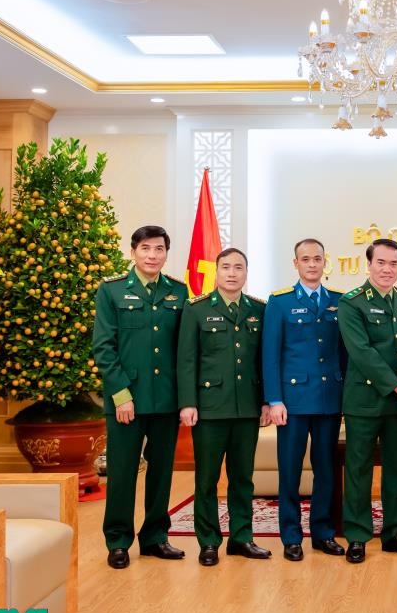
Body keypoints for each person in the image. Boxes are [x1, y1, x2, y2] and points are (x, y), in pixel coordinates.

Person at [93, 225, 188, 569]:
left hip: (166, 399)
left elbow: (184, 349)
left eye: (159, 249)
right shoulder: (112, 290)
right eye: (146, 248)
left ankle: (155, 537)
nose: (152, 255)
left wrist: (185, 398)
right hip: (126, 400)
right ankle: (118, 541)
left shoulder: (178, 291)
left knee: (161, 472)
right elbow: (104, 348)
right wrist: (121, 395)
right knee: (122, 472)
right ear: (133, 252)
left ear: (166, 253)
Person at [176, 248, 272, 565]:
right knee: (207, 480)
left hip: (247, 408)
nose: (232, 273)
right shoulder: (197, 309)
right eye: (226, 267)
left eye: (239, 267)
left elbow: (263, 361)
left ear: (246, 273)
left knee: (243, 478)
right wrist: (187, 403)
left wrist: (265, 401)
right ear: (216, 272)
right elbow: (186, 360)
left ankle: (242, 538)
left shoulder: (259, 309)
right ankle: (208, 542)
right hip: (210, 409)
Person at [337, 238, 397, 563]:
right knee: (358, 469)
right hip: (364, 400)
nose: (387, 269)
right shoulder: (351, 303)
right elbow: (361, 352)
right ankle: (357, 535)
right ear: (369, 264)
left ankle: (394, 532)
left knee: (395, 469)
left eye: (394, 264)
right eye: (381, 262)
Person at [262, 238, 347, 561]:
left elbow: (344, 354)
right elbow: (270, 355)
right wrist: (274, 400)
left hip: (328, 399)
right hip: (293, 402)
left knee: (326, 470)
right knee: (290, 470)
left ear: (325, 262)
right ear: (295, 263)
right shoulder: (280, 302)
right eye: (306, 259)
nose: (312, 264)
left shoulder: (339, 301)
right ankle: (291, 536)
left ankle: (323, 533)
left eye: (317, 259)